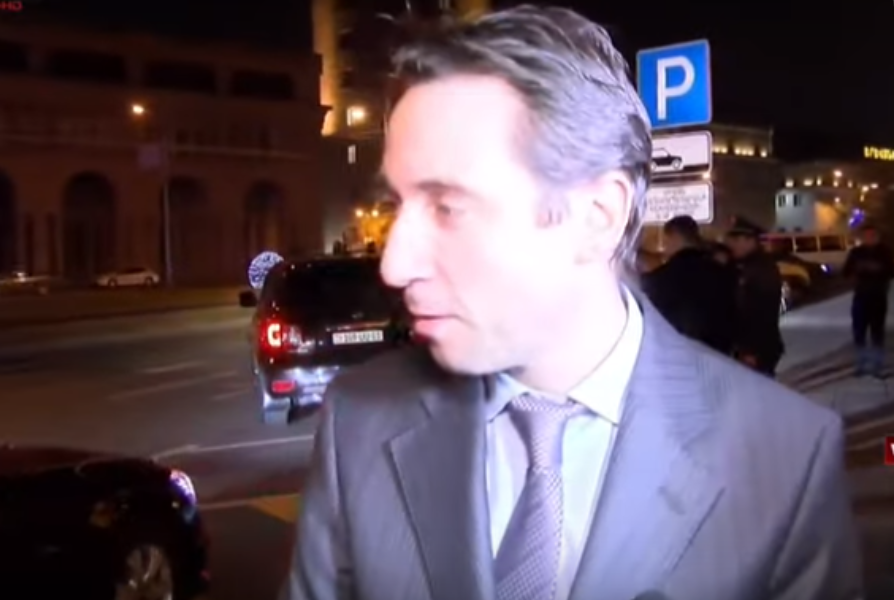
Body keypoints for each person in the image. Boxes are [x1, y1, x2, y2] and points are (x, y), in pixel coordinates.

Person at [282, 7, 860, 600]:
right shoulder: (359, 418)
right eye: (399, 205)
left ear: (597, 217)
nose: (394, 265)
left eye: (448, 207)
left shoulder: (785, 453)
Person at [642, 215, 736, 355]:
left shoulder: (661, 278)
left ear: (675, 236)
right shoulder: (722, 273)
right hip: (718, 353)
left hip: (677, 353)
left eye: (666, 240)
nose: (664, 247)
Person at [725, 216, 786, 376]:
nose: (732, 245)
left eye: (736, 240)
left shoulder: (760, 269)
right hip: (750, 348)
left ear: (750, 240)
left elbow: (761, 312)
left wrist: (751, 350)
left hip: (757, 349)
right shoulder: (747, 266)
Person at [842, 224, 894, 376]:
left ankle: (878, 365)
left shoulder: (884, 252)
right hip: (861, 296)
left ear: (877, 236)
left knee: (877, 331)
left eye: (872, 235)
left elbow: (891, 270)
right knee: (859, 331)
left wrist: (878, 269)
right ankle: (861, 364)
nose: (869, 238)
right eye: (866, 236)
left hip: (878, 296)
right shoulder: (856, 252)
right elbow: (846, 271)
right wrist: (858, 270)